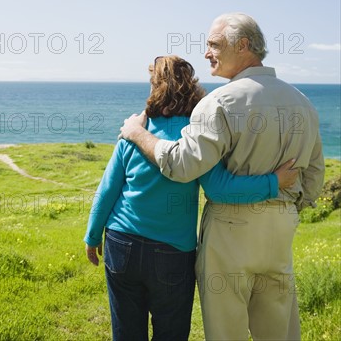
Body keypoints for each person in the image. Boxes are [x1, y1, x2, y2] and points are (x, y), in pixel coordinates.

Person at [120, 14, 325, 341]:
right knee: (278, 332)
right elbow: (314, 175)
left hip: (231, 232)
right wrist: (289, 207)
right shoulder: (303, 103)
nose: (206, 53)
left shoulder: (218, 102)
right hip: (282, 227)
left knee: (226, 332)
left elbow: (183, 165)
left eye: (214, 44)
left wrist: (137, 134)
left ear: (243, 46)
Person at [84, 55, 298, 341]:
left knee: (126, 331)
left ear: (154, 87)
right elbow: (220, 189)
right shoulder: (198, 134)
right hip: (172, 254)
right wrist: (274, 182)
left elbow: (108, 189)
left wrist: (92, 236)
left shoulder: (135, 130)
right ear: (192, 87)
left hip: (122, 244)